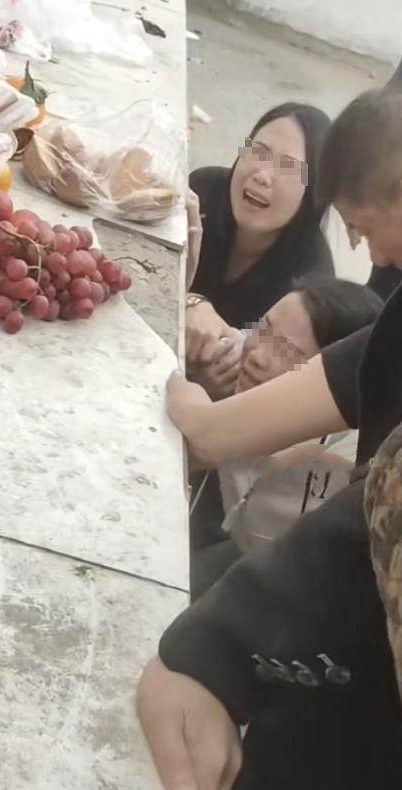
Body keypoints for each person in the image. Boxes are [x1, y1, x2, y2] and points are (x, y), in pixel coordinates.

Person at [137, 88, 402, 790]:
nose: (367, 252)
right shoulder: (390, 330)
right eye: (257, 152)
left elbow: (376, 504)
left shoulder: (314, 272)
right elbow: (213, 431)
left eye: (365, 226)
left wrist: (216, 642)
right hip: (341, 665)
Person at [191, 278, 383, 599]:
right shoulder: (242, 357)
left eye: (288, 352)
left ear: (328, 386)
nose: (259, 355)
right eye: (264, 328)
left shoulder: (323, 483)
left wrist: (199, 401)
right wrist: (195, 305)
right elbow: (205, 326)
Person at [185, 102, 334, 387]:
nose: (262, 176)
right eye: (257, 152)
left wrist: (226, 386)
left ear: (314, 192)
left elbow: (281, 392)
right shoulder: (203, 191)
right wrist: (191, 302)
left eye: (288, 167)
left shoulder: (312, 288)